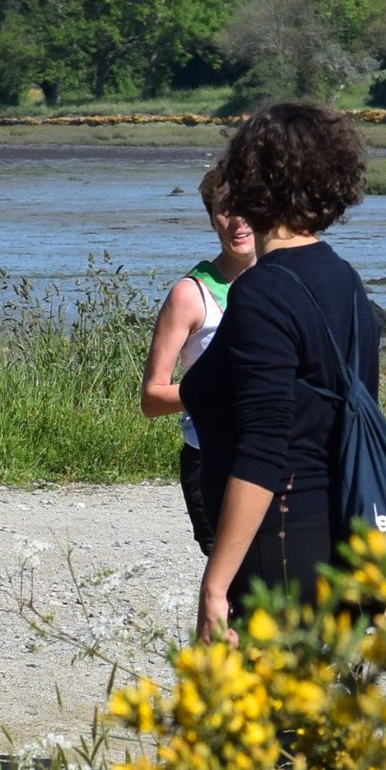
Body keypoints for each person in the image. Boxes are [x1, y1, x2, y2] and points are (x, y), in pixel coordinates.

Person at [179, 100, 379, 638]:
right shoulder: (343, 278)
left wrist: (215, 584)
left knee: (270, 689)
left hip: (280, 538)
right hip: (339, 529)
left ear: (254, 178)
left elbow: (265, 448)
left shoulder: (262, 292)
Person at [139, 171, 257, 553]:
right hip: (211, 460)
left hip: (276, 456)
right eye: (225, 210)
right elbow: (152, 398)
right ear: (212, 219)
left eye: (246, 207)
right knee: (236, 579)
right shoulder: (190, 295)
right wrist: (223, 388)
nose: (237, 221)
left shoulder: (286, 280)